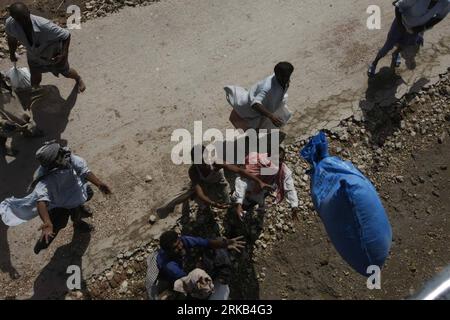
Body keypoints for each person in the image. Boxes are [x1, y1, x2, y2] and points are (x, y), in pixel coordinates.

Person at [0, 141, 112, 254]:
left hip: (73, 194)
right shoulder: (44, 178)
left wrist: (99, 184)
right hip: (58, 203)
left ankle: (78, 223)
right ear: (54, 162)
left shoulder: (68, 158)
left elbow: (84, 171)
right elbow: (41, 202)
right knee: (58, 223)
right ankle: (42, 243)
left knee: (84, 200)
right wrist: (47, 221)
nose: (64, 153)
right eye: (60, 153)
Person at [156, 145, 271, 219]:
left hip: (219, 183)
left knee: (228, 202)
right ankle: (168, 207)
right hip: (203, 185)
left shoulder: (216, 162)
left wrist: (258, 181)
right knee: (193, 195)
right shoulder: (193, 171)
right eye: (200, 162)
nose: (204, 164)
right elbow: (200, 192)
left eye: (205, 160)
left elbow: (239, 170)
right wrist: (212, 204)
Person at [5, 2, 86, 92]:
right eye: (19, 19)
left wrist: (63, 55)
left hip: (52, 53)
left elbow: (66, 35)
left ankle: (78, 79)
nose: (23, 21)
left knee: (66, 72)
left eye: (25, 17)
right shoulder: (10, 24)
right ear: (13, 18)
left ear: (29, 12)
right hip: (34, 55)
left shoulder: (43, 25)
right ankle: (36, 88)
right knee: (35, 74)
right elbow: (12, 39)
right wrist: (12, 53)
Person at [368, 0, 449, 77]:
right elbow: (398, 6)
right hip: (400, 23)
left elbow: (440, 17)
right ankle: (374, 63)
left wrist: (422, 27)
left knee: (404, 45)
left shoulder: (445, 3)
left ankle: (396, 54)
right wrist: (400, 26)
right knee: (387, 46)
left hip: (414, 31)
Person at [156, 231, 245, 287]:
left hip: (186, 261)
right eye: (175, 247)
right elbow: (189, 281)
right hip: (180, 277)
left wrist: (225, 244)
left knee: (217, 242)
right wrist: (200, 270)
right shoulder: (170, 266)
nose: (180, 247)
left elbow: (207, 243)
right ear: (168, 251)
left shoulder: (184, 240)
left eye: (179, 243)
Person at [233, 147, 300, 221]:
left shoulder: (283, 170)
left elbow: (289, 187)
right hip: (248, 186)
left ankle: (249, 206)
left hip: (264, 189)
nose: (277, 163)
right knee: (238, 200)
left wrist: (294, 205)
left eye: (280, 160)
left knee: (254, 200)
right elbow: (241, 180)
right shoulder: (255, 161)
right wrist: (239, 203)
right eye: (275, 160)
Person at [224, 62, 294, 131]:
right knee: (239, 121)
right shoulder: (267, 86)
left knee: (260, 127)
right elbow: (255, 104)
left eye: (288, 76)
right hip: (246, 107)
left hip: (262, 108)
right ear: (278, 75)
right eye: (285, 76)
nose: (287, 78)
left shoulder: (283, 80)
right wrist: (271, 116)